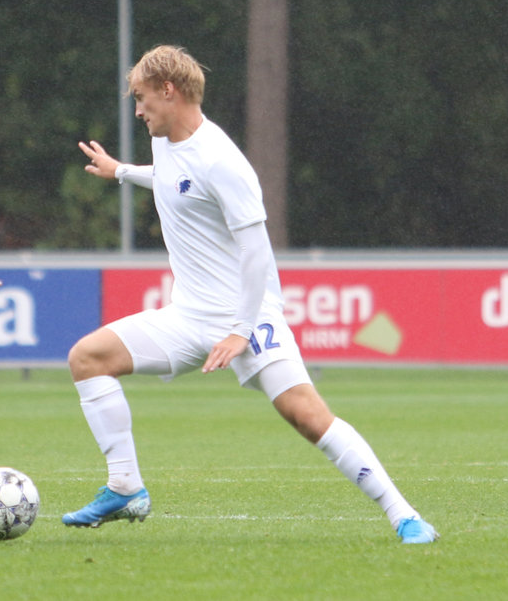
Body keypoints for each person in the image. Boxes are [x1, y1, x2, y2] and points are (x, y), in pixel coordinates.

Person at [63, 45, 438, 544]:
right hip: (189, 315)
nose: (137, 110)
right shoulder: (166, 140)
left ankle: (404, 515)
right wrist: (122, 171)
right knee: (87, 358)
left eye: (142, 98)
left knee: (307, 417)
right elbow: (176, 182)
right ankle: (126, 487)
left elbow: (257, 251)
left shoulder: (223, 161)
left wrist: (241, 330)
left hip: (248, 315)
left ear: (168, 91)